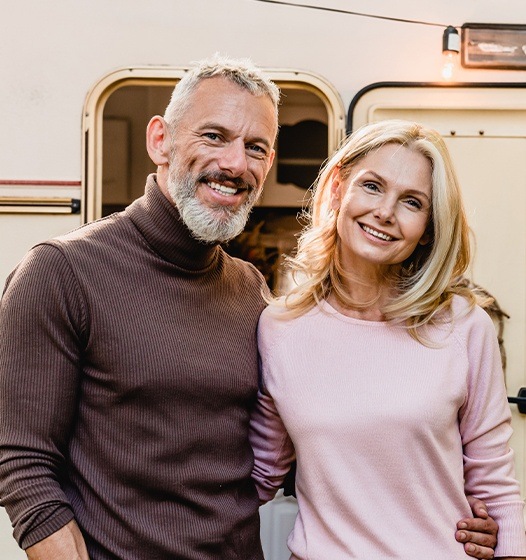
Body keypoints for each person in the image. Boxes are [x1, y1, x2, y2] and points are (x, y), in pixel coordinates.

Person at [0, 56, 497, 559]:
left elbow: (284, 453)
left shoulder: (251, 293)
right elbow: (24, 467)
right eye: (214, 136)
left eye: (255, 147)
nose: (235, 164)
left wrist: (455, 514)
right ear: (160, 141)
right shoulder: (61, 272)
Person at [250, 119, 526, 559]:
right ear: (338, 189)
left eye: (412, 202)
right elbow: (258, 474)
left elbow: (495, 485)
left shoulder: (464, 326)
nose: (385, 212)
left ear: (428, 230)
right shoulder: (280, 328)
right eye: (373, 186)